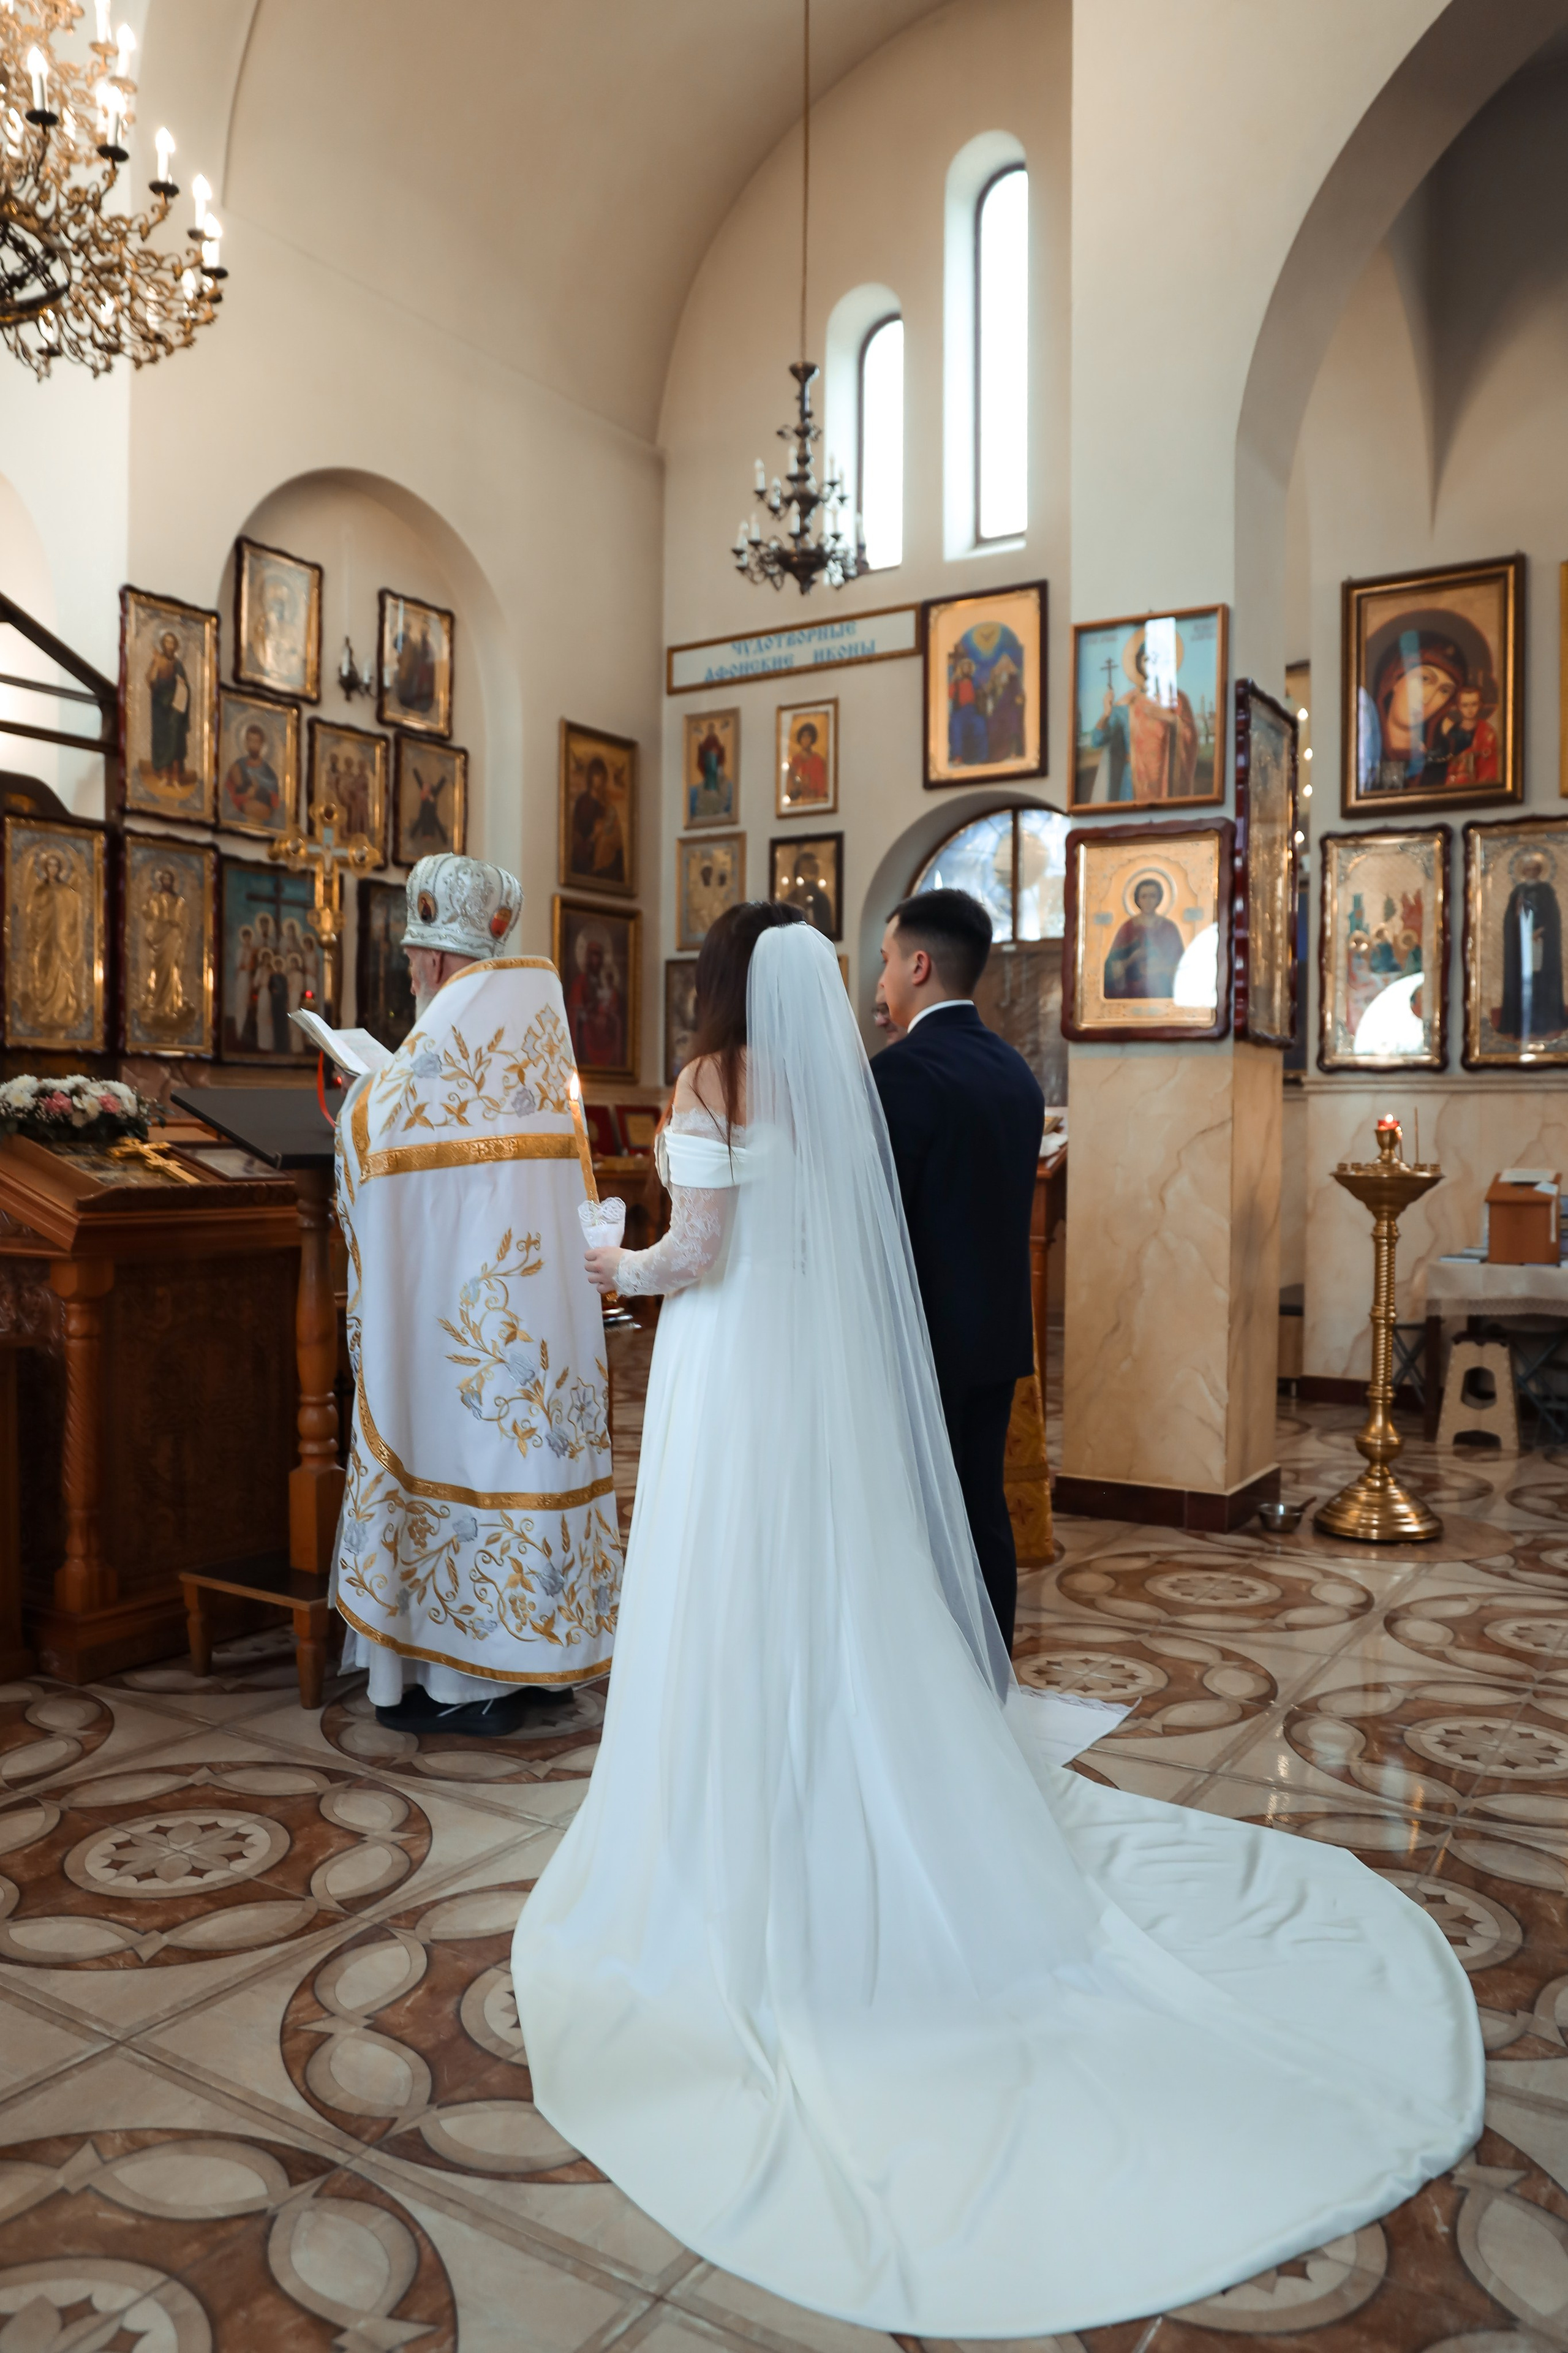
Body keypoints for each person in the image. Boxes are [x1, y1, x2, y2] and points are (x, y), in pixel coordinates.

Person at [513, 904, 1480, 2338]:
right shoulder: (852, 1075)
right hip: (833, 1362)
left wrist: (616, 1266)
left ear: (714, 984)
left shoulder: (716, 1078)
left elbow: (698, 1249)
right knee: (839, 1574)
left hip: (729, 1364)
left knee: (726, 1572)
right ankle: (884, 1745)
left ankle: (742, 1799)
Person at [331, 852, 623, 1735]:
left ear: (438, 959)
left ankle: (463, 1684)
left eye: (417, 955)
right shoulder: (534, 1031)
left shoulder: (442, 1043)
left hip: (461, 1326)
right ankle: (541, 1665)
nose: (414, 970)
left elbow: (371, 1138)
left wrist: (353, 1100)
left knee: (462, 1456)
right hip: (529, 1322)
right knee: (520, 1462)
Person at [870, 888, 1042, 1648]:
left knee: (913, 1513)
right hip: (997, 1335)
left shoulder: (901, 1074)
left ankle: (925, 1677)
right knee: (980, 1504)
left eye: (883, 962)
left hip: (921, 1339)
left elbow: (874, 1221)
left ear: (918, 963)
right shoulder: (1015, 1072)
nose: (879, 982)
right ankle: (990, 1675)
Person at [1090, 631, 1198, 801]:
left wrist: (1172, 720)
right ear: (1139, 664)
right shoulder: (1127, 703)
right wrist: (1106, 714)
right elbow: (1097, 741)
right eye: (1147, 659)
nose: (1153, 664)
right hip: (1132, 784)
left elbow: (1191, 738)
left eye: (1157, 659)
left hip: (1167, 781)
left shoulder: (1178, 700)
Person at [1496, 847, 1568, 1040]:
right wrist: (1517, 913)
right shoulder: (1517, 892)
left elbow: (1552, 917)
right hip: (1522, 945)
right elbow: (1511, 920)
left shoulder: (1546, 890)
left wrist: (1540, 931)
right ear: (1523, 871)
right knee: (1523, 982)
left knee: (1541, 981)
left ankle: (1544, 1024)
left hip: (1541, 943)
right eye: (1527, 869)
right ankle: (1522, 1024)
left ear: (1539, 870)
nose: (1531, 872)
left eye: (1534, 868)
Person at [1103, 873, 1185, 997]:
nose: (1148, 901)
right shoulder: (1128, 928)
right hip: (1131, 992)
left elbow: (1181, 965)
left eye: (1152, 896)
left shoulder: (1169, 928)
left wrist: (1160, 967)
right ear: (1138, 899)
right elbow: (1111, 968)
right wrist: (1133, 958)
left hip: (1162, 993)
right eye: (1144, 896)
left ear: (1159, 899)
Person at [146, 630, 190, 784]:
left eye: (172, 643)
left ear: (176, 646)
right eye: (167, 642)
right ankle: (164, 775)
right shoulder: (157, 660)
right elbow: (150, 681)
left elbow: (185, 685)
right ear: (163, 645)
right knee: (162, 738)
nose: (169, 646)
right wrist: (155, 664)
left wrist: (182, 683)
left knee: (175, 739)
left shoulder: (178, 664)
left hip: (175, 706)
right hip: (159, 704)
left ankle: (175, 776)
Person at [221, 722, 281, 829]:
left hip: (261, 814)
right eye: (250, 741)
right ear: (246, 743)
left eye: (256, 742)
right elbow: (227, 794)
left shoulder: (269, 773)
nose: (253, 745)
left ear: (262, 744)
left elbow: (274, 803)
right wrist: (247, 795)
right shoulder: (238, 766)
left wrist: (257, 791)